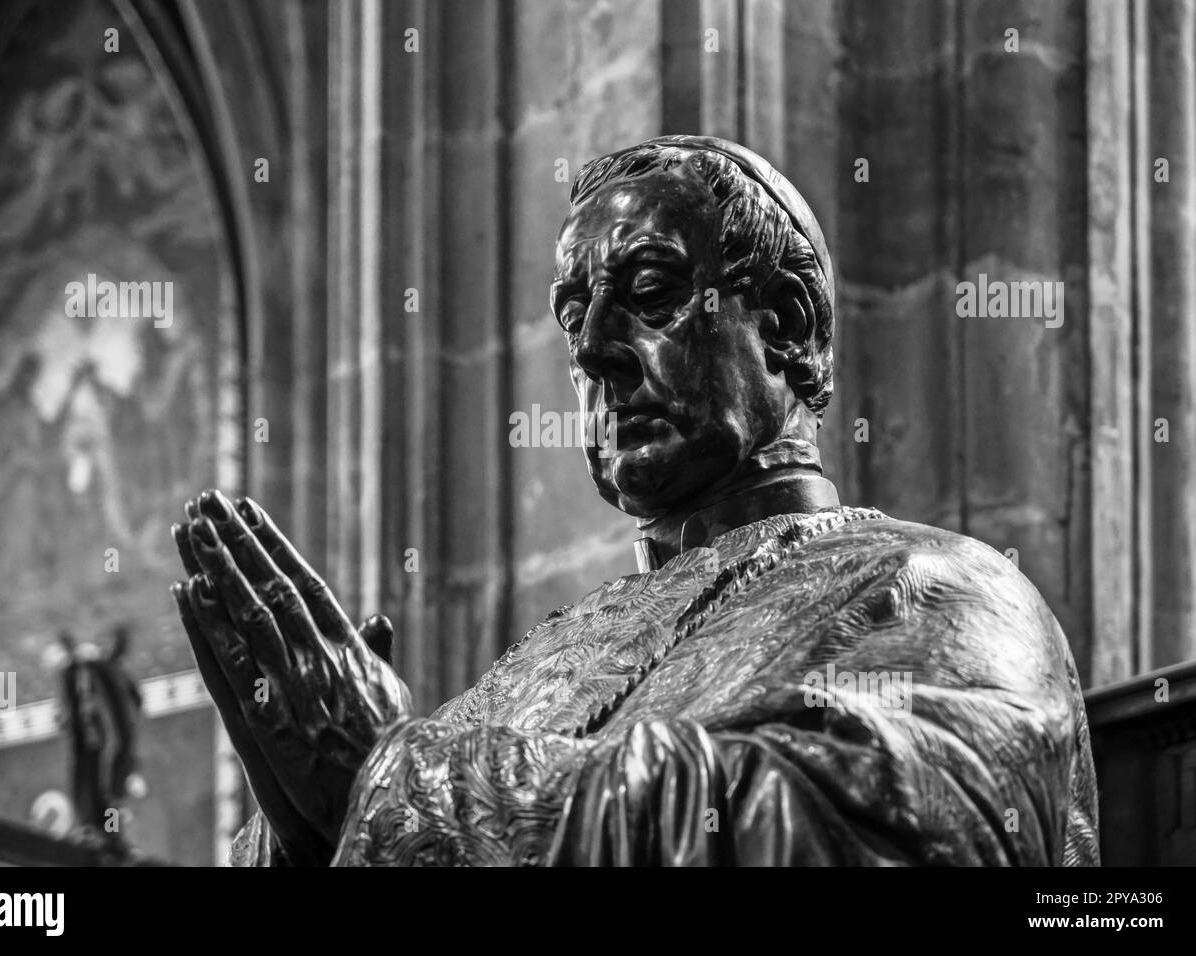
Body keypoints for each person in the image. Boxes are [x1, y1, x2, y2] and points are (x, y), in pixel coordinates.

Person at [172, 135, 1098, 866]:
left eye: (647, 293)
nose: (593, 351)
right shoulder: (525, 672)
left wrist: (393, 776)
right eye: (575, 316)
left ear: (788, 329)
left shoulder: (938, 586)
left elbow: (882, 829)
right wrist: (299, 826)